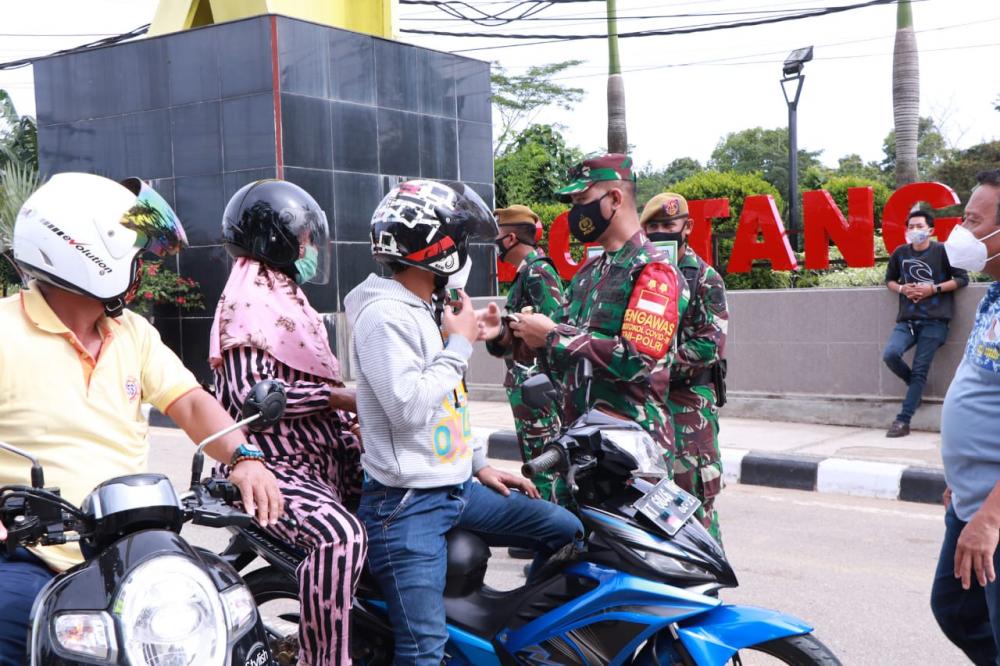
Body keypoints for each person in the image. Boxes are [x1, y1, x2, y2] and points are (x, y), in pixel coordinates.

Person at [0, 173, 282, 665]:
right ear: (89, 255)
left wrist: (245, 457)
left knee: (224, 618)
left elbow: (190, 402)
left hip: (132, 551)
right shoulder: (5, 331)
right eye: (135, 253)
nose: (144, 266)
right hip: (32, 556)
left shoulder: (133, 333)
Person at [344, 179, 583, 665]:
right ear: (437, 247)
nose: (470, 250)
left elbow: (450, 405)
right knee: (423, 649)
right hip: (406, 505)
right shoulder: (383, 316)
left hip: (455, 486)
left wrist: (477, 464)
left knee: (566, 530)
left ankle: (521, 642)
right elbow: (408, 408)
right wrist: (457, 346)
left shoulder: (429, 306)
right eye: (464, 239)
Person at [209, 179, 365, 666]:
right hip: (275, 465)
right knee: (339, 536)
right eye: (302, 238)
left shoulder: (288, 298)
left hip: (326, 458)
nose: (309, 248)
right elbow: (246, 396)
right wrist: (335, 397)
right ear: (275, 239)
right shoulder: (248, 302)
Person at [509, 154, 685, 460]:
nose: (575, 212)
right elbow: (559, 345)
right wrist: (510, 332)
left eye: (581, 200)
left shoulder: (653, 270)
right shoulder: (589, 272)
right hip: (580, 442)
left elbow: (636, 359)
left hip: (630, 452)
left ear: (614, 198)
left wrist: (553, 335)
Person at [931, 169, 1000, 664]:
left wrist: (991, 519)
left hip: (994, 514)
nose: (961, 233)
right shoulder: (992, 297)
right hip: (969, 501)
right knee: (955, 608)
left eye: (973, 221)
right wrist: (960, 473)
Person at [640, 192, 729, 542]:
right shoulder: (644, 276)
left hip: (689, 404)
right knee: (656, 500)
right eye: (654, 226)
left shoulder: (705, 279)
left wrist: (657, 366)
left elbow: (711, 343)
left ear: (687, 227)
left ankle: (707, 584)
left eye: (669, 224)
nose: (662, 232)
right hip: (648, 405)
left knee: (694, 497)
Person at [485, 205, 567, 505]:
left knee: (544, 458)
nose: (495, 243)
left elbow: (555, 329)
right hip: (528, 384)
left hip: (538, 385)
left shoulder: (539, 272)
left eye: (498, 236)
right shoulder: (526, 273)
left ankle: (553, 527)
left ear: (510, 239)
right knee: (535, 455)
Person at [883, 209, 969, 438]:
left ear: (930, 230)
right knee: (890, 354)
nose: (914, 231)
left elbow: (962, 279)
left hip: (935, 321)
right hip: (907, 320)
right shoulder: (900, 253)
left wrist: (933, 289)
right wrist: (902, 288)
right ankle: (915, 388)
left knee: (920, 368)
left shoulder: (942, 251)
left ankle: (903, 421)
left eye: (919, 226)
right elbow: (889, 280)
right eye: (910, 227)